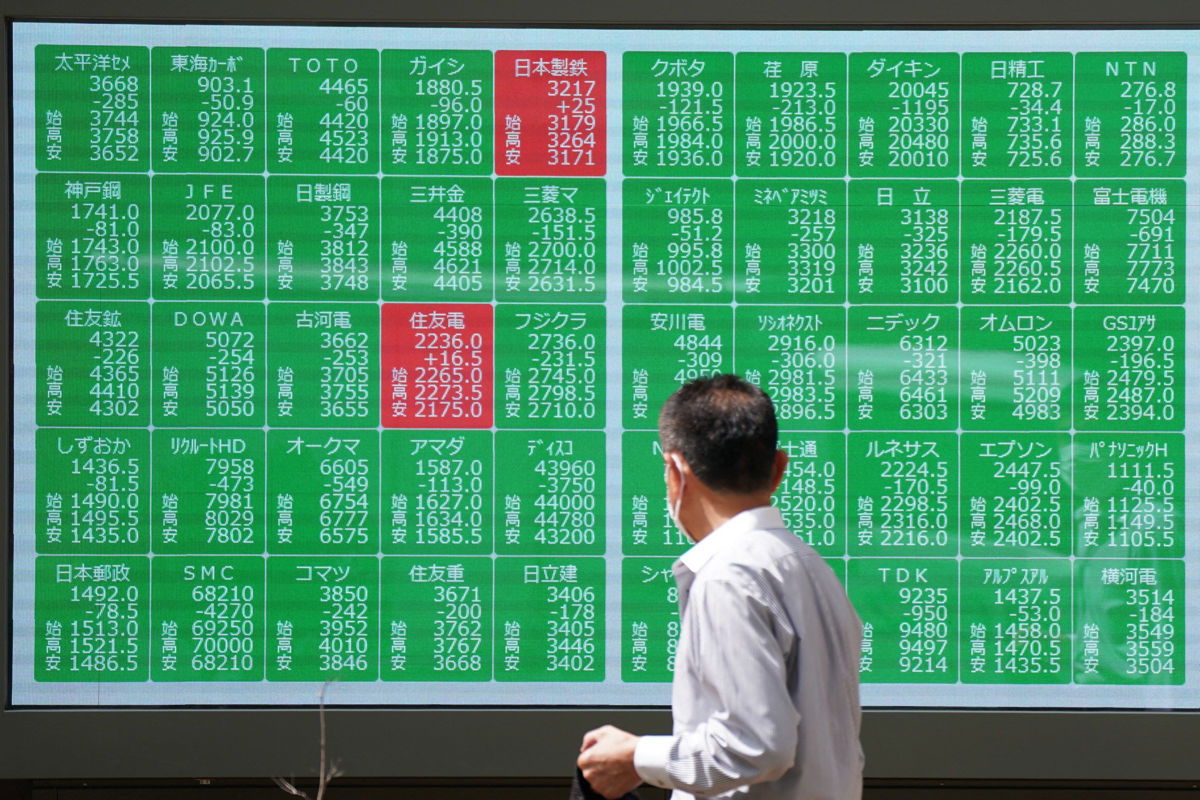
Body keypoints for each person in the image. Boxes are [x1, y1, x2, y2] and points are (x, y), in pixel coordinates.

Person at [578, 374, 864, 800]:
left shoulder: (729, 576)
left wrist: (635, 757)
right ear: (779, 467)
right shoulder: (809, 567)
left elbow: (757, 747)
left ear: (676, 471)